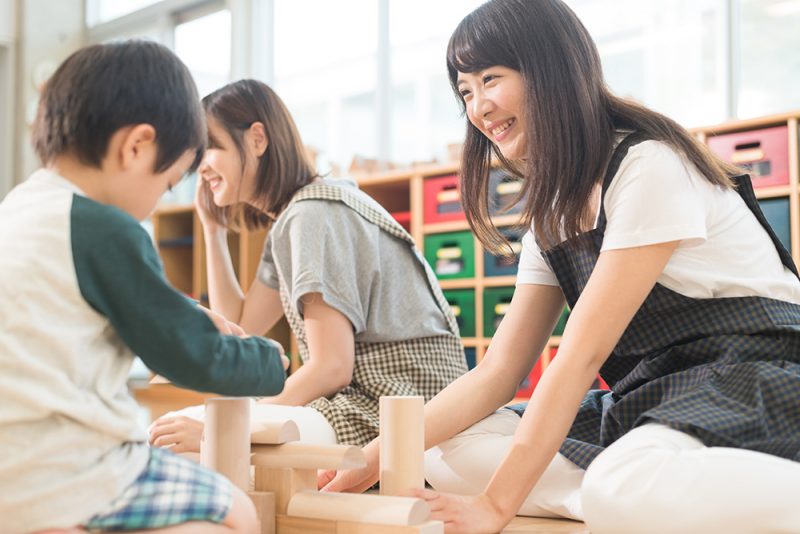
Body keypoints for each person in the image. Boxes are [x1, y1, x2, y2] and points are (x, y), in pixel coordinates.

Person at [319, 1, 800, 533]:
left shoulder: (648, 164)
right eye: (465, 91)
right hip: (652, 395)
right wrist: (371, 458)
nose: (479, 107)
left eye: (491, 79)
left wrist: (497, 506)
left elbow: (578, 356)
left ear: (550, 69)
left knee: (614, 482)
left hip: (749, 376)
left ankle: (623, 495)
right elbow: (499, 373)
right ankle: (614, 500)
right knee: (443, 450)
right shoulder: (552, 212)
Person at [0, 41, 289, 533]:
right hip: (66, 476)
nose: (155, 204)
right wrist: (268, 361)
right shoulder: (105, 228)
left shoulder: (19, 210)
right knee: (238, 510)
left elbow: (82, 301)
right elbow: (186, 354)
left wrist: (184, 312)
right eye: (167, 181)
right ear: (136, 147)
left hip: (12, 470)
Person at [149, 79, 467, 453]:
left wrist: (229, 427)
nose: (199, 168)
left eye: (210, 149)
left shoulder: (310, 215)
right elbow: (240, 325)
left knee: (201, 433)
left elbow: (332, 367)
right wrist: (213, 230)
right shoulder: (298, 215)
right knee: (195, 426)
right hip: (388, 396)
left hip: (398, 402)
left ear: (257, 139)